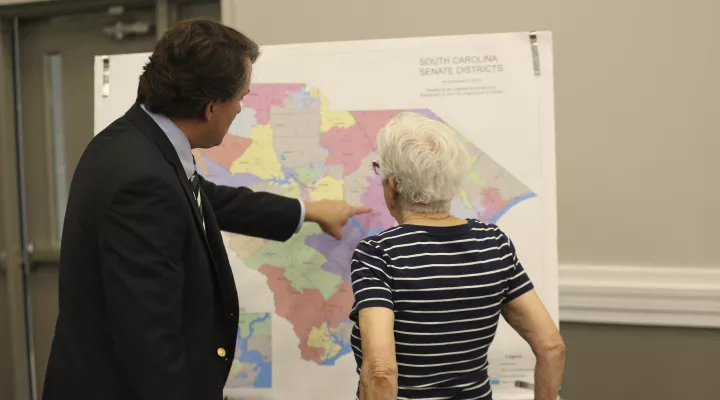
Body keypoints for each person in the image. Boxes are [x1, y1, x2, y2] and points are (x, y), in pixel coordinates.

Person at [43, 19, 370, 400]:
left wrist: (307, 211)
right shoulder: (142, 181)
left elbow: (203, 198)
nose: (241, 108)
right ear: (212, 108)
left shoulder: (135, 141)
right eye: (241, 99)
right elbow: (149, 338)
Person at [349, 112, 565, 400]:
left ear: (393, 186)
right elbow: (552, 347)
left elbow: (380, 371)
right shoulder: (494, 243)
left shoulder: (378, 254)